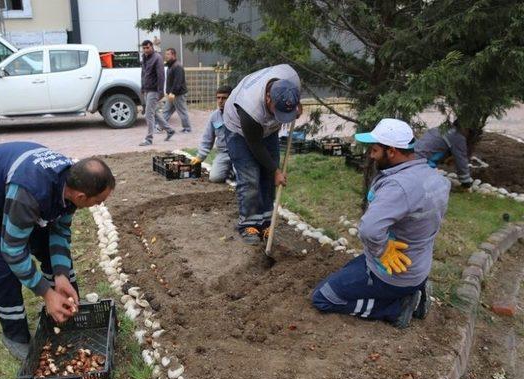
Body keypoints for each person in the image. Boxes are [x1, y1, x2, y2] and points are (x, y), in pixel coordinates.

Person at [0, 142, 115, 360]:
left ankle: (63, 310)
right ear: (81, 196)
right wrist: (45, 292)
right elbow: (13, 250)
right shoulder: (31, 192)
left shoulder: (70, 181)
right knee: (3, 267)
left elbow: (59, 230)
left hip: (8, 193)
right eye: (98, 201)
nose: (99, 205)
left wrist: (60, 274)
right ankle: (14, 335)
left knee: (47, 248)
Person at [311, 119, 450, 329]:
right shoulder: (435, 178)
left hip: (393, 273)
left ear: (392, 151)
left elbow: (369, 229)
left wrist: (382, 249)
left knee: (324, 297)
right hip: (417, 266)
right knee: (348, 268)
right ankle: (414, 292)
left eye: (375, 150)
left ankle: (397, 309)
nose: (371, 155)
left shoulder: (398, 187)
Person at [223, 64, 302, 244]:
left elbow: (293, 99)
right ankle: (248, 223)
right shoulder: (250, 108)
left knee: (268, 175)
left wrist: (296, 106)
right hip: (240, 131)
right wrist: (276, 170)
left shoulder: (291, 78)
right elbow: (256, 146)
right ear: (268, 98)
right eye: (279, 111)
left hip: (266, 128)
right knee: (250, 176)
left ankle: (267, 222)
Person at [190, 85, 234, 183]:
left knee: (242, 178)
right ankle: (230, 170)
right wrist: (200, 157)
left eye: (224, 98)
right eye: (218, 98)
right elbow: (207, 139)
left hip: (239, 152)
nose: (220, 101)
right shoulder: (214, 116)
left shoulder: (238, 115)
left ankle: (234, 171)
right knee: (215, 178)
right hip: (223, 153)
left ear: (231, 98)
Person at [414, 120, 476, 188]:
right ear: (465, 129)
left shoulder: (441, 129)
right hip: (422, 163)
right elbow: (461, 160)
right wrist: (466, 182)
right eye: (469, 132)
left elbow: (437, 147)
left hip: (413, 156)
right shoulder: (458, 137)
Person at [139, 40, 175, 146]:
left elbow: (161, 76)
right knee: (154, 112)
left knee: (148, 114)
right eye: (144, 48)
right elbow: (143, 73)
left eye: (147, 48)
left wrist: (160, 92)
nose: (145, 50)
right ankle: (169, 130)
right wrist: (142, 87)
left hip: (154, 90)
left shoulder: (157, 58)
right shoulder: (144, 58)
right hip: (146, 89)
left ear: (152, 47)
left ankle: (149, 139)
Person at [162, 48, 191, 133]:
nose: (166, 56)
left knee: (182, 112)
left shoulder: (177, 66)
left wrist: (173, 93)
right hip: (172, 94)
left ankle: (187, 128)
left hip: (178, 94)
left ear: (173, 55)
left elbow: (178, 82)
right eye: (165, 54)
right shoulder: (171, 66)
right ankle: (160, 127)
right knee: (166, 110)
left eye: (168, 54)